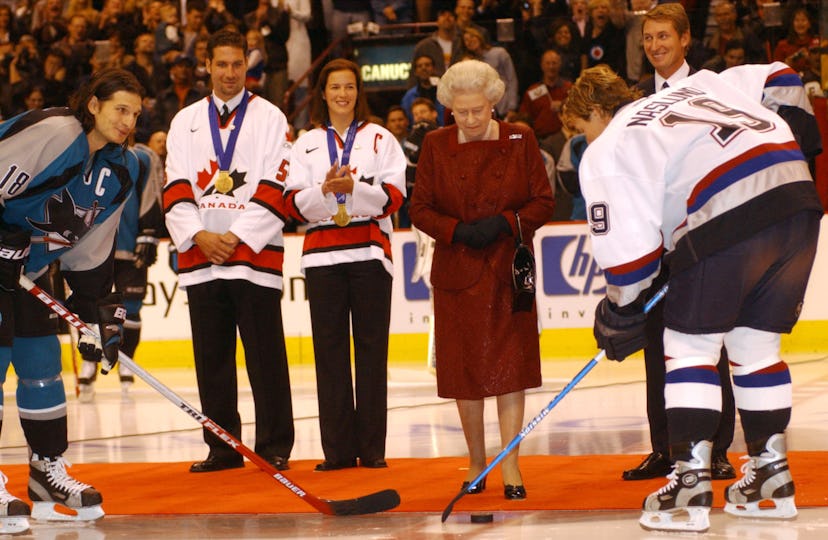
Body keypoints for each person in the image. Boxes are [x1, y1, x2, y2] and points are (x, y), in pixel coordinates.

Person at [565, 62, 822, 533]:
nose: (584, 142)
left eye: (581, 130)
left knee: (689, 348)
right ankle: (770, 474)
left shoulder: (609, 147)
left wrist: (620, 313)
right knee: (755, 348)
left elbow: (627, 262)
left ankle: (689, 479)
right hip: (798, 198)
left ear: (596, 114)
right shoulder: (700, 84)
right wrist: (799, 141)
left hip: (725, 214)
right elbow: (782, 77)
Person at [0, 67, 144, 532]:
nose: (127, 121)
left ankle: (46, 475)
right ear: (94, 105)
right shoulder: (57, 130)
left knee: (42, 364)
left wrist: (91, 313)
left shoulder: (122, 168)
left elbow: (90, 247)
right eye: (120, 109)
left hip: (28, 272)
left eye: (136, 114)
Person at [408, 59, 555, 500]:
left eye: (478, 110)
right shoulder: (435, 144)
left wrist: (507, 223)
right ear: (448, 107)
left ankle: (510, 463)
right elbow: (419, 209)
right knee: (464, 372)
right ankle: (476, 461)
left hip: (508, 268)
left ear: (494, 103)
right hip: (458, 271)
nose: (469, 120)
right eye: (460, 111)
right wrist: (456, 231)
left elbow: (543, 201)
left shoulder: (520, 138)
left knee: (511, 370)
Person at [163, 28, 295, 474]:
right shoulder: (185, 120)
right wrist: (201, 236)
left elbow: (277, 185)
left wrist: (234, 237)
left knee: (266, 357)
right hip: (202, 259)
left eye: (237, 64)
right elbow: (175, 183)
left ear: (247, 66)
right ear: (207, 65)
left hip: (254, 258)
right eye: (221, 64)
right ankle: (222, 448)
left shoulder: (271, 117)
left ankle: (274, 446)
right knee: (212, 359)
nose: (229, 73)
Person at [624, 2, 737, 483]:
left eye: (664, 36)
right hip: (654, 246)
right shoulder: (635, 105)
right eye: (648, 38)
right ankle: (665, 446)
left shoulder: (710, 93)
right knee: (656, 349)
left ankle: (716, 448)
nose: (655, 46)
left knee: (710, 346)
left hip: (703, 241)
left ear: (686, 39)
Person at [283, 58, 406, 471]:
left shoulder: (380, 138)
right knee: (329, 353)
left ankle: (372, 451)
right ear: (322, 92)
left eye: (350, 87)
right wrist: (324, 191)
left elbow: (394, 195)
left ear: (359, 92)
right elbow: (291, 202)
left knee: (372, 352)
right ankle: (336, 453)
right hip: (321, 257)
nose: (342, 94)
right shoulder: (305, 143)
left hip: (370, 254)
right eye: (335, 87)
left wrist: (355, 188)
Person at [77, 136, 166, 400]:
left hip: (129, 244)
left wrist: (149, 233)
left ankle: (126, 362)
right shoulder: (86, 153)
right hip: (93, 246)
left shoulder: (144, 157)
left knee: (132, 308)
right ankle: (89, 362)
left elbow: (152, 195)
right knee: (88, 304)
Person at [518, 48, 571, 141]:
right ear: (542, 65)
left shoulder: (569, 88)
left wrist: (563, 105)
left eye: (554, 63)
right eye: (548, 63)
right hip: (539, 139)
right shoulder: (532, 91)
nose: (551, 67)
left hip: (564, 139)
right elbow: (524, 117)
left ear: (560, 65)